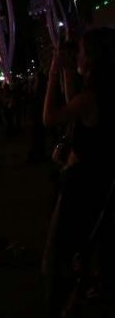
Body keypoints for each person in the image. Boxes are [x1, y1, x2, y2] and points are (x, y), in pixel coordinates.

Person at [42, 30, 115, 314]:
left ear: (92, 57)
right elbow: (77, 110)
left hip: (79, 186)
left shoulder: (90, 97)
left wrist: (52, 75)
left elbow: (50, 118)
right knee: (82, 251)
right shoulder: (102, 92)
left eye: (82, 52)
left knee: (52, 260)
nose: (78, 55)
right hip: (99, 184)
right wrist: (69, 72)